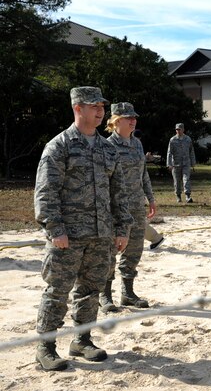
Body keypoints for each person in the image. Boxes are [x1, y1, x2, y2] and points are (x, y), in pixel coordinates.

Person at [33, 86, 133, 371]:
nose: (101, 111)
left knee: (90, 290)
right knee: (57, 291)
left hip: (101, 235)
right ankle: (46, 347)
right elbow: (45, 193)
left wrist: (122, 229)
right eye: (94, 106)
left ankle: (82, 340)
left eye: (102, 106)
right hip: (67, 236)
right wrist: (55, 229)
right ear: (78, 108)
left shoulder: (107, 149)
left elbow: (119, 193)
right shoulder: (59, 146)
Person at [101, 102, 157, 313]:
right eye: (127, 118)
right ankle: (104, 295)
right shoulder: (107, 146)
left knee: (134, 250)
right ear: (115, 121)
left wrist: (150, 198)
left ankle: (127, 293)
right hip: (115, 208)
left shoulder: (137, 145)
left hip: (136, 206)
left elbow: (143, 174)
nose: (133, 120)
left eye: (134, 117)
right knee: (111, 251)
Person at [166, 122, 196, 203]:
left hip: (186, 163)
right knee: (177, 181)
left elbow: (191, 151)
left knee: (186, 179)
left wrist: (193, 163)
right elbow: (169, 152)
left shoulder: (188, 139)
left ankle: (188, 196)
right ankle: (178, 196)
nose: (178, 131)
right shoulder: (172, 140)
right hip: (176, 164)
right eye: (177, 130)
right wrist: (169, 164)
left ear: (183, 130)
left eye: (179, 129)